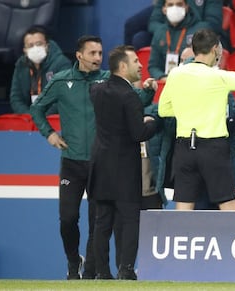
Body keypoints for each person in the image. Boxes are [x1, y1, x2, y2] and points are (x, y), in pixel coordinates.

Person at [30, 35, 109, 280]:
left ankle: (88, 274)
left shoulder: (108, 80)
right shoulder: (63, 81)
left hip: (101, 163)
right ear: (79, 55)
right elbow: (37, 109)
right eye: (93, 53)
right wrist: (49, 134)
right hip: (72, 162)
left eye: (100, 53)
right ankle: (74, 260)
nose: (98, 58)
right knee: (68, 218)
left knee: (97, 221)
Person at [158, 28, 235, 210]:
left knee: (183, 208)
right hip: (213, 149)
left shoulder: (175, 74)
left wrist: (188, 108)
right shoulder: (218, 76)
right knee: (228, 206)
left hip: (184, 148)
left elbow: (163, 109)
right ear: (215, 49)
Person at [88, 45, 158, 280]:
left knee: (102, 222)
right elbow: (138, 133)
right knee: (130, 220)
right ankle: (126, 270)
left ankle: (101, 272)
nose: (141, 65)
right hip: (125, 170)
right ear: (123, 66)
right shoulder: (129, 96)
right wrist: (151, 121)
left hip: (100, 166)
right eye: (136, 61)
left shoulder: (96, 90)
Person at [10, 25, 71, 114]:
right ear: (25, 50)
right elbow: (16, 98)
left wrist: (41, 116)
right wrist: (28, 115)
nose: (35, 48)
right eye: (30, 45)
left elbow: (64, 97)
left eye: (39, 44)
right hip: (29, 119)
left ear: (47, 45)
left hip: (56, 118)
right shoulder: (21, 65)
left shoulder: (62, 63)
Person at [148, 0, 210, 81]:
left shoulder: (200, 30)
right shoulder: (160, 32)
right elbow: (153, 66)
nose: (175, 8)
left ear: (187, 7)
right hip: (167, 83)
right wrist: (163, 77)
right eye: (170, 5)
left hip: (193, 81)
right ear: (164, 9)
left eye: (179, 4)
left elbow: (208, 62)